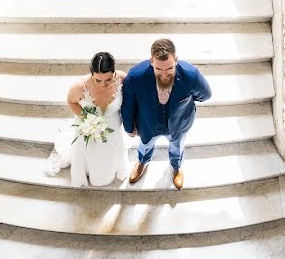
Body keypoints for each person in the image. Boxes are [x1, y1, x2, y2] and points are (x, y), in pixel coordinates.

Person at [121, 38, 211, 190]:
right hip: (147, 124)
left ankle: (176, 168)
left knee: (177, 147)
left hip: (178, 124)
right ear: (151, 62)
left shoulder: (191, 75)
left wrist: (186, 104)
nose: (164, 74)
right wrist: (129, 127)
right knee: (145, 145)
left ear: (176, 59)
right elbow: (128, 103)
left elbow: (205, 95)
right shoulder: (136, 76)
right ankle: (142, 162)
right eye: (158, 69)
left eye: (169, 68)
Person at [45, 52, 128, 187]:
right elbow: (71, 102)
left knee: (105, 168)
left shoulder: (123, 78)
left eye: (108, 79)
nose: (103, 84)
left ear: (114, 73)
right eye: (98, 80)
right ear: (91, 74)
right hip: (89, 126)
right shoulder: (79, 86)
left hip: (113, 126)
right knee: (88, 152)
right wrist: (87, 119)